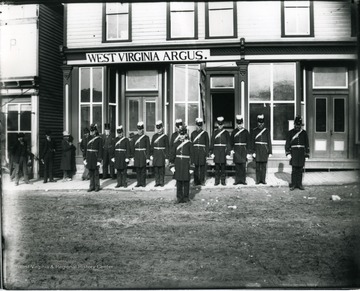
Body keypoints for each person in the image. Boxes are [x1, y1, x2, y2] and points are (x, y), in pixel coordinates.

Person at [285, 115, 310, 191]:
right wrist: (288, 153)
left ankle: (299, 184)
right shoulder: (290, 133)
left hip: (301, 153)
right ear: (294, 124)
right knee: (294, 169)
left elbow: (307, 144)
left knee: (300, 169)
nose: (298, 127)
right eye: (296, 125)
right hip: (294, 153)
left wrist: (307, 154)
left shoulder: (304, 133)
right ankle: (293, 184)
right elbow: (287, 144)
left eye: (299, 125)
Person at [170, 126, 193, 203]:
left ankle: (186, 197)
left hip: (186, 164)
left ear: (186, 134)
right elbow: (172, 155)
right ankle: (179, 197)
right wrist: (172, 166)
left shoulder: (189, 144)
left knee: (186, 181)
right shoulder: (176, 144)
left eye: (183, 134)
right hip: (178, 164)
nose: (182, 136)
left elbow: (192, 156)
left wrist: (191, 168)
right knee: (179, 181)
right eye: (181, 134)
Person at [250, 114, 272, 184]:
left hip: (264, 150)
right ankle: (258, 180)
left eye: (262, 123)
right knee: (258, 166)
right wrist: (253, 152)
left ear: (264, 123)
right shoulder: (254, 130)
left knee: (264, 166)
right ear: (257, 122)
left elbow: (269, 141)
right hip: (257, 150)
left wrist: (270, 151)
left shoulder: (266, 131)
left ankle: (263, 180)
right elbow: (252, 142)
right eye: (259, 122)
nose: (260, 124)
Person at [210, 116, 230, 186]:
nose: (220, 126)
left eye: (221, 125)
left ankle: (223, 181)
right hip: (216, 151)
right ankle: (217, 181)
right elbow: (212, 142)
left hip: (223, 151)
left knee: (223, 167)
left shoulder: (226, 133)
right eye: (219, 124)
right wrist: (211, 152)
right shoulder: (214, 132)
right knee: (217, 167)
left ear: (223, 125)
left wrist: (228, 153)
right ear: (217, 124)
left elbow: (228, 143)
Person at [230, 115, 250, 185]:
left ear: (242, 123)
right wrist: (231, 149)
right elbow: (231, 142)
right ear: (237, 124)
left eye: (240, 124)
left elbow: (248, 143)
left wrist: (248, 153)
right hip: (236, 150)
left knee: (243, 166)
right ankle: (237, 180)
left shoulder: (246, 132)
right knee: (237, 166)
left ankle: (243, 180)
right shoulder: (234, 132)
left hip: (243, 150)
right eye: (238, 124)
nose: (239, 125)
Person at [130, 121, 150, 187]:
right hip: (137, 155)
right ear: (137, 129)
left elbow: (148, 148)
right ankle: (138, 183)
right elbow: (132, 148)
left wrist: (147, 157)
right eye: (139, 129)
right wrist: (132, 157)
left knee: (143, 170)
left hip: (143, 155)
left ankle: (143, 183)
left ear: (143, 129)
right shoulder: (134, 137)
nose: (140, 131)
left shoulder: (146, 137)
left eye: (141, 129)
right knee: (138, 170)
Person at [84, 124, 103, 192]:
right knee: (90, 173)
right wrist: (85, 158)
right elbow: (85, 149)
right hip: (89, 157)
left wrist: (99, 160)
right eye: (91, 131)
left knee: (96, 173)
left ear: (95, 131)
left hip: (95, 157)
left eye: (93, 131)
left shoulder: (99, 139)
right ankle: (91, 186)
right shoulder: (88, 138)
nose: (92, 132)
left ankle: (97, 186)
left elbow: (100, 150)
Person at [190, 117, 209, 186]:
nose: (199, 127)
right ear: (196, 125)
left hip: (202, 152)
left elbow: (207, 144)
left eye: (200, 125)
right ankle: (196, 181)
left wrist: (207, 154)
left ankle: (202, 181)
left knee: (202, 167)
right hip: (195, 152)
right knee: (195, 167)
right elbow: (191, 144)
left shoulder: (205, 134)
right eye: (198, 125)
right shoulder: (193, 133)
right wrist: (191, 154)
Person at [150, 120, 169, 187]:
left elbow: (167, 147)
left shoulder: (165, 137)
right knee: (156, 169)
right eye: (157, 128)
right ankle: (157, 182)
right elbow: (152, 146)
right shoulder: (154, 136)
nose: (159, 129)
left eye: (160, 128)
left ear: (162, 128)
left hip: (162, 154)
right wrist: (151, 155)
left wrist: (167, 157)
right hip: (155, 154)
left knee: (161, 169)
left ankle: (161, 182)